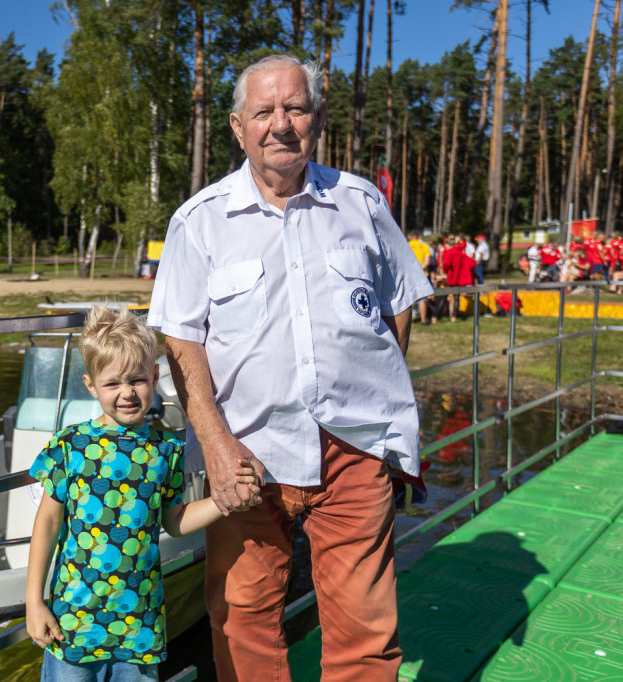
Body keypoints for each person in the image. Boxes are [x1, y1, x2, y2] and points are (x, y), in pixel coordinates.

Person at [148, 54, 433, 682]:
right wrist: (216, 447)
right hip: (247, 450)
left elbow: (397, 308)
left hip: (353, 447)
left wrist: (375, 401)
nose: (281, 124)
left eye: (295, 108)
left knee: (364, 628)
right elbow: (180, 342)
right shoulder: (199, 222)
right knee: (242, 620)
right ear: (237, 126)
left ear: (318, 119)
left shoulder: (360, 201)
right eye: (264, 111)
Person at [25, 306, 259, 681]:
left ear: (154, 376)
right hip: (71, 625)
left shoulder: (166, 451)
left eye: (137, 380)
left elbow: (175, 521)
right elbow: (48, 522)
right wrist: (33, 601)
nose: (127, 393)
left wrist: (221, 501)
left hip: (140, 630)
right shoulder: (70, 444)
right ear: (90, 385)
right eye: (112, 384)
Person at [442, 236, 475, 321]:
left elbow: (446, 265)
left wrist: (445, 271)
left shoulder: (448, 253)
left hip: (451, 278)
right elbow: (472, 263)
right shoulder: (460, 253)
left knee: (444, 297)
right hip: (459, 279)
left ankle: (435, 316)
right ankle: (454, 316)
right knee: (456, 298)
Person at [408, 231, 433, 324]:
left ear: (409, 236)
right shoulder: (425, 246)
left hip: (409, 274)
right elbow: (427, 262)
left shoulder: (406, 245)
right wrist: (419, 270)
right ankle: (423, 320)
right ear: (419, 236)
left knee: (407, 297)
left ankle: (407, 320)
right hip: (422, 274)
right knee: (422, 298)